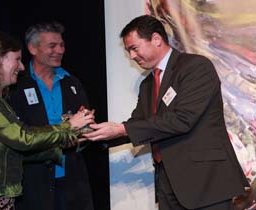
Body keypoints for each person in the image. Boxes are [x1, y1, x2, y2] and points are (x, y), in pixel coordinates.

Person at [83, 15, 250, 210]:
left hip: (206, 181)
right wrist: (95, 134)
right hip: (168, 181)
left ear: (156, 39)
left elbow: (182, 119)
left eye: (134, 48)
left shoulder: (195, 67)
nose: (132, 57)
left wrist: (121, 129)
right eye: (129, 51)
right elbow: (136, 123)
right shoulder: (147, 84)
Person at [0, 31, 94, 210]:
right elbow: (22, 137)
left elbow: (15, 151)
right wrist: (69, 126)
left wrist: (70, 141)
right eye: (17, 59)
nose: (22, 67)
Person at [8, 21, 94, 210]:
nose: (60, 50)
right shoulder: (16, 85)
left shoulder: (71, 82)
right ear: (32, 48)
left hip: (72, 179)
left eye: (62, 45)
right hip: (32, 183)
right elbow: (16, 135)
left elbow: (86, 125)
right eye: (52, 46)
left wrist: (82, 138)